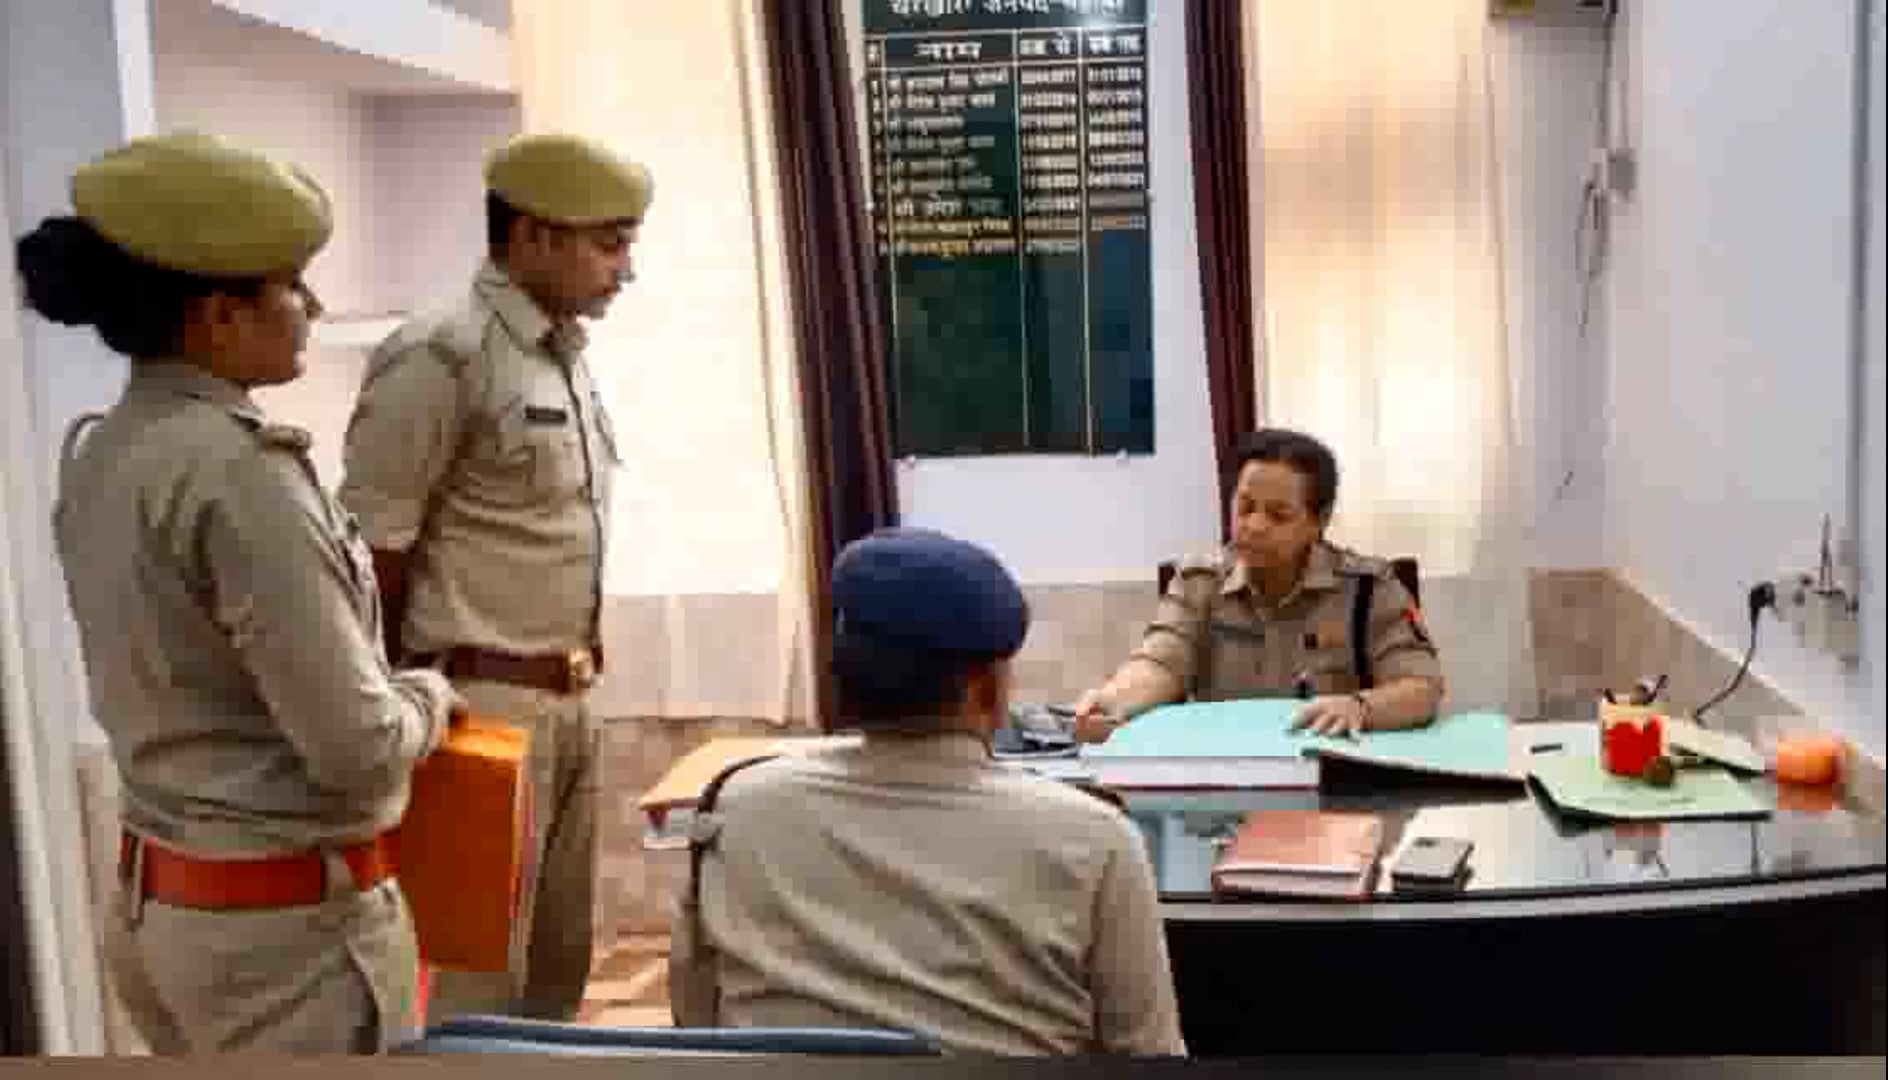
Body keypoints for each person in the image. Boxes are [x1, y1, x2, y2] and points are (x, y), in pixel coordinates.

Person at [19, 131, 463, 1053]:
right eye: (292, 285)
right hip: (288, 945)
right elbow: (355, 747)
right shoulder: (241, 473)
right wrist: (429, 697)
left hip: (167, 911)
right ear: (220, 315)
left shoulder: (104, 449)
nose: (313, 307)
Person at [337, 131, 652, 1023]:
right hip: (473, 706)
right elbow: (372, 554)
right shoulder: (442, 353)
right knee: (472, 981)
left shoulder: (560, 354)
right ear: (533, 235)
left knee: (556, 967)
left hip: (566, 698)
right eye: (609, 244)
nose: (625, 270)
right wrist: (395, 709)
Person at [670, 528, 1187, 1057]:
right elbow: (1148, 1052)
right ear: (985, 689)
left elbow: (696, 1016)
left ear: (842, 678)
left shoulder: (737, 806)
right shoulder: (1096, 840)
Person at [1076, 427, 1445, 742]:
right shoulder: (1199, 583)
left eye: (1278, 515)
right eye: (1245, 507)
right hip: (1225, 776)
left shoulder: (1369, 588)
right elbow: (1159, 664)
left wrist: (1360, 707)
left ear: (1319, 521)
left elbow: (1421, 688)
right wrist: (1114, 701)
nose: (1254, 526)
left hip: (1330, 773)